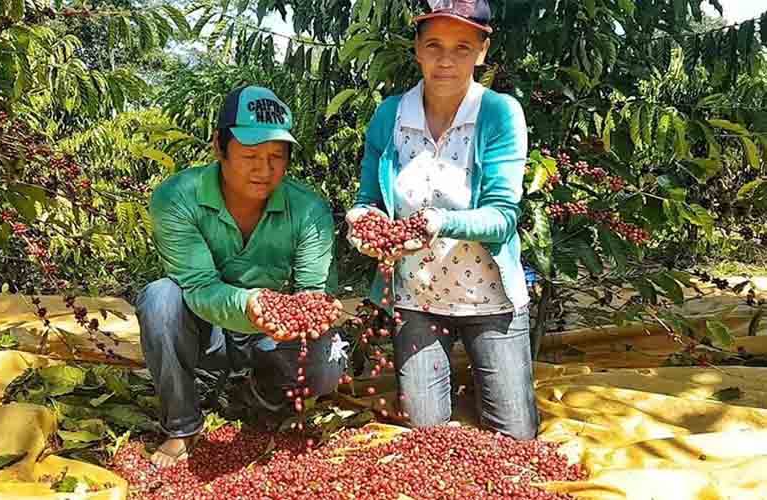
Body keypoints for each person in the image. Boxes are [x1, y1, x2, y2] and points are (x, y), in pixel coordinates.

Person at [345, 0, 539, 440]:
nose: (446, 60)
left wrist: (437, 222)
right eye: (433, 44)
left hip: (488, 300)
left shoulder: (499, 114)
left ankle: (484, 387)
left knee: (516, 437)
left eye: (462, 47)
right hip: (416, 300)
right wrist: (363, 223)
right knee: (424, 436)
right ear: (416, 48)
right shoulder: (390, 115)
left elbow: (502, 217)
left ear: (482, 51)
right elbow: (369, 200)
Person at [137, 85, 347, 467]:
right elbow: (198, 287)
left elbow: (312, 291)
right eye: (250, 155)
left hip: (271, 336)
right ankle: (183, 423)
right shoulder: (177, 197)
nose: (263, 171)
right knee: (160, 297)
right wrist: (251, 304)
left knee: (326, 362)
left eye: (275, 157)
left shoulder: (308, 207)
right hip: (210, 330)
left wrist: (313, 310)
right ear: (219, 146)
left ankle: (261, 393)